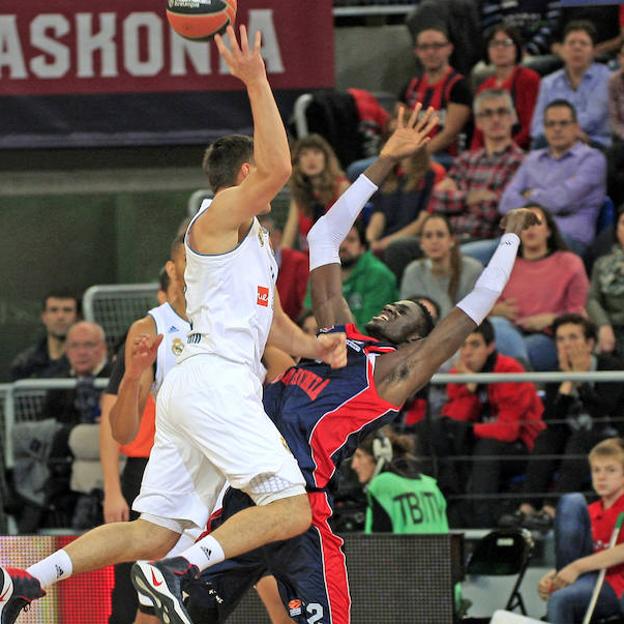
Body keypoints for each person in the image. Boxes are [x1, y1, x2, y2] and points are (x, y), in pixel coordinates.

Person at [0, 26, 348, 624]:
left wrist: (315, 344)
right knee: (292, 508)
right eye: (257, 171)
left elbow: (271, 327)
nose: (270, 181)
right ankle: (181, 571)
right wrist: (257, 80)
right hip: (214, 381)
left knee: (154, 529)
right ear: (242, 176)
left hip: (201, 384)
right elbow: (279, 166)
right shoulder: (215, 217)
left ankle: (25, 582)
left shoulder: (255, 241)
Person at [175, 109, 538, 624]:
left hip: (301, 501)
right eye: (397, 302)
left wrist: (510, 237)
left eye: (410, 310)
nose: (394, 307)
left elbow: (470, 309)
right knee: (177, 611)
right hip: (247, 493)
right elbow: (324, 237)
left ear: (414, 339)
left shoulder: (393, 372)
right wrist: (387, 158)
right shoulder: (339, 335)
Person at [100, 234, 189, 624]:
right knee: (137, 577)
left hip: (209, 466)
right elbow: (112, 424)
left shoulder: (226, 323)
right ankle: (32, 578)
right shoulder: (146, 334)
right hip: (149, 467)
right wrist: (112, 489)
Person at [500, 315, 624, 533]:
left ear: (590, 343)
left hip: (609, 435)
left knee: (580, 440)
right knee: (547, 438)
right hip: (573, 436)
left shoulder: (610, 367)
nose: (567, 345)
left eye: (573, 338)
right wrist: (567, 381)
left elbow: (601, 412)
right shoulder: (556, 370)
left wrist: (580, 381)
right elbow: (551, 420)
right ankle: (527, 507)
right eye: (561, 339)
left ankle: (551, 510)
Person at [433, 319, 544, 527]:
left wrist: (469, 430)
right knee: (438, 432)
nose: (467, 352)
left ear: (490, 346)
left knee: (487, 446)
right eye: (463, 345)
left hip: (523, 447)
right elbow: (454, 423)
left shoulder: (509, 371)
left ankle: (481, 522)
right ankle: (450, 513)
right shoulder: (460, 375)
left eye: (474, 344)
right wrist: (470, 389)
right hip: (481, 442)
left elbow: (509, 430)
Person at [429, 89, 526, 262]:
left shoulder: (521, 162)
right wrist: (469, 198)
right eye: (487, 114)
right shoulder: (466, 159)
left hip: (486, 238)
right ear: (479, 122)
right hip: (449, 237)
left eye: (502, 112)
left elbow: (496, 211)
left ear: (512, 118)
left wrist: (457, 199)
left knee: (450, 257)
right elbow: (436, 200)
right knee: (401, 248)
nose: (495, 119)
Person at [490, 204, 589, 372]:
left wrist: (553, 319)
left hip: (549, 336)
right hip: (508, 332)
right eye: (524, 224)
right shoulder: (503, 264)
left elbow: (578, 312)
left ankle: (519, 375)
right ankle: (523, 374)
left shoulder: (570, 263)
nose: (530, 229)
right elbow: (482, 304)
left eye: (537, 222)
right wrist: (494, 310)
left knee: (527, 348)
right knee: (497, 325)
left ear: (549, 231)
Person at [501, 99, 606, 256]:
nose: (557, 129)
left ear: (576, 127)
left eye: (563, 123)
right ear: (544, 128)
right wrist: (548, 199)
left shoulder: (593, 159)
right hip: (522, 238)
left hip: (566, 240)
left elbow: (561, 200)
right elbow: (506, 202)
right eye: (551, 124)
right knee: (466, 255)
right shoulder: (532, 158)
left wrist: (532, 194)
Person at [536, 438, 624, 624]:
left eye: (610, 470)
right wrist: (555, 575)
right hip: (588, 577)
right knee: (572, 500)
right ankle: (563, 583)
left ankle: (565, 587)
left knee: (560, 599)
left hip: (615, 586)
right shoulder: (589, 511)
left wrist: (576, 568)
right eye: (596, 470)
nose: (601, 477)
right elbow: (586, 553)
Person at [398, 25, 472, 167]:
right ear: (416, 52)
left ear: (449, 49)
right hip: (411, 153)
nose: (431, 52)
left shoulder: (458, 86)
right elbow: (398, 124)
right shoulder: (411, 86)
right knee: (358, 170)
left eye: (437, 46)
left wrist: (418, 157)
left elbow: (450, 134)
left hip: (446, 156)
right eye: (424, 47)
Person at [531, 21, 612, 149]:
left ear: (593, 51)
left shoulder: (606, 77)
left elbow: (593, 118)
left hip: (593, 141)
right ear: (562, 49)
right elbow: (536, 126)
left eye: (583, 44)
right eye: (571, 43)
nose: (577, 48)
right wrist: (561, 134)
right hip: (554, 142)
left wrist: (559, 130)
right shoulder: (548, 83)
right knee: (539, 144)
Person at [351, 428, 448, 535]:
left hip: (403, 552)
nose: (354, 465)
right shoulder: (430, 484)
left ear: (381, 455)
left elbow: (376, 544)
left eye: (359, 456)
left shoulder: (382, 483)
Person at [471, 25, 540, 151]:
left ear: (517, 48)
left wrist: (505, 150)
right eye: (494, 44)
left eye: (506, 43)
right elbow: (479, 132)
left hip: (520, 150)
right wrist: (474, 156)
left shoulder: (528, 79)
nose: (500, 48)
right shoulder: (484, 87)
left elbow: (531, 126)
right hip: (488, 153)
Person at [400, 214, 483, 319]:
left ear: (451, 240)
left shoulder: (472, 269)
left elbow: (478, 312)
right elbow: (406, 317)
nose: (434, 241)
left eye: (440, 235)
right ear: (421, 243)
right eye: (428, 236)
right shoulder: (413, 271)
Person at [281, 133, 350, 251]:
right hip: (310, 258)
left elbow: (352, 231)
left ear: (326, 158)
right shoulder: (299, 194)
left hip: (340, 253)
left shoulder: (342, 187)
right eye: (304, 154)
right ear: (297, 162)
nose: (311, 159)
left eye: (316, 153)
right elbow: (289, 235)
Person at [41, 321, 111, 426]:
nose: (81, 352)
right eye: (74, 345)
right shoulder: (57, 384)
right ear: (66, 350)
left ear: (103, 348)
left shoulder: (117, 377)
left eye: (89, 345)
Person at [9, 290, 79, 381]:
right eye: (54, 310)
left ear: (77, 318)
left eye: (67, 310)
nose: (60, 316)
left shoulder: (87, 361)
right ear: (44, 317)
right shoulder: (25, 364)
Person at [588, 207, 624, 357]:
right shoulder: (602, 264)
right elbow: (592, 299)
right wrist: (603, 325)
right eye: (623, 223)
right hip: (612, 328)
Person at [258, 215, 308, 321]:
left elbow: (307, 307)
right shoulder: (250, 268)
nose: (259, 243)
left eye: (263, 236)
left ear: (277, 236)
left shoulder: (299, 262)